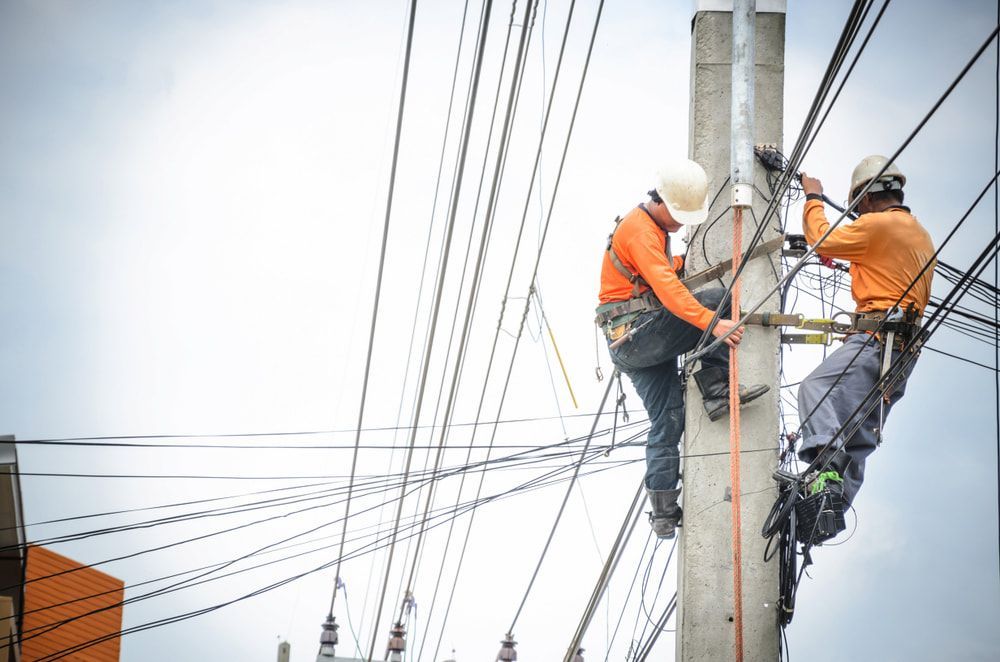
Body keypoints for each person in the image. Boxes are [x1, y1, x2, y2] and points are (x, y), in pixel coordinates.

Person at [596, 158, 769, 538]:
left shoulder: (650, 229)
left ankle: (662, 512)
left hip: (630, 343)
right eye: (677, 214)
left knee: (668, 420)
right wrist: (713, 322)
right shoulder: (641, 230)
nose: (680, 222)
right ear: (658, 200)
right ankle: (716, 387)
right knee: (716, 298)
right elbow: (670, 292)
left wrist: (678, 262)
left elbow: (656, 273)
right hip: (638, 335)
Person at [797, 155, 935, 506]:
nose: (858, 214)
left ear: (868, 197)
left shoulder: (879, 226)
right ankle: (833, 507)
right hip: (903, 352)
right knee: (859, 431)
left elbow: (820, 238)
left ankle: (825, 470)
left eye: (859, 207)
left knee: (817, 390)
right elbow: (882, 271)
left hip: (876, 340)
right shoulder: (918, 234)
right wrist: (851, 256)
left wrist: (813, 197)